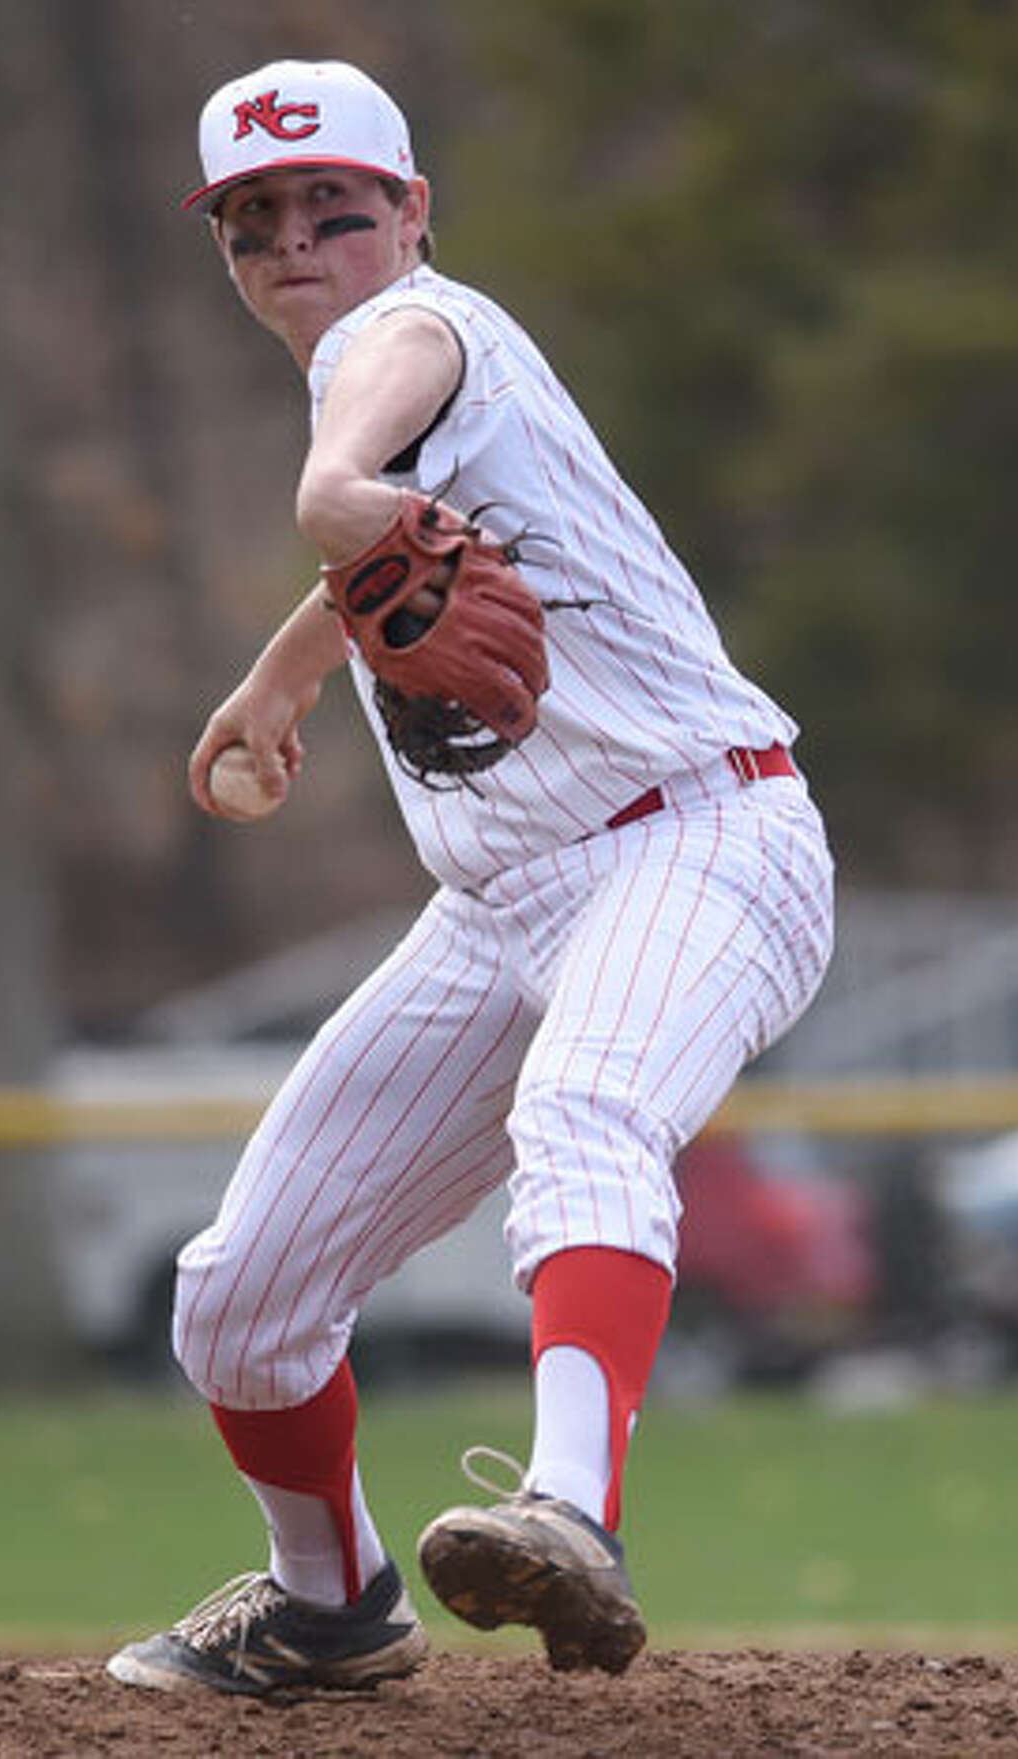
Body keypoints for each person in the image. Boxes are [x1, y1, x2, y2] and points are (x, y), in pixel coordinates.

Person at [106, 58, 834, 1697]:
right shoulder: (389, 391)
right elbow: (389, 520)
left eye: (336, 206)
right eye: (254, 220)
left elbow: (363, 453)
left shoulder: (414, 332)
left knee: (585, 1113)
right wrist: (292, 672)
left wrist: (327, 496)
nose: (297, 240)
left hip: (699, 838)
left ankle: (573, 1508)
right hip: (504, 903)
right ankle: (332, 1603)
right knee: (240, 1300)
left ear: (413, 214)